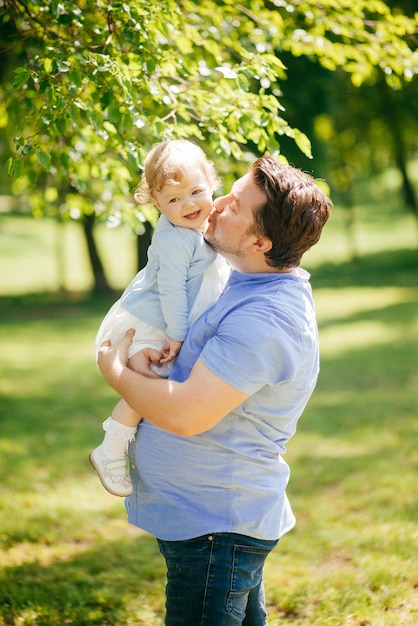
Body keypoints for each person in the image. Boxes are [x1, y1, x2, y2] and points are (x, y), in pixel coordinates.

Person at [97, 155, 333, 625]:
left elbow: (188, 415)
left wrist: (116, 371)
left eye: (235, 205)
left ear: (260, 241)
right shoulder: (243, 283)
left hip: (216, 530)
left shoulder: (265, 319)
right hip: (211, 524)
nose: (216, 203)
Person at [90, 140, 231, 497]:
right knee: (147, 382)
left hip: (165, 319)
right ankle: (110, 449)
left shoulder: (199, 224)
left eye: (197, 191)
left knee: (157, 385)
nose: (189, 205)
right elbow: (170, 291)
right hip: (152, 322)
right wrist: (177, 335)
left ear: (211, 182)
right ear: (156, 203)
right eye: (173, 199)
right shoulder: (173, 241)